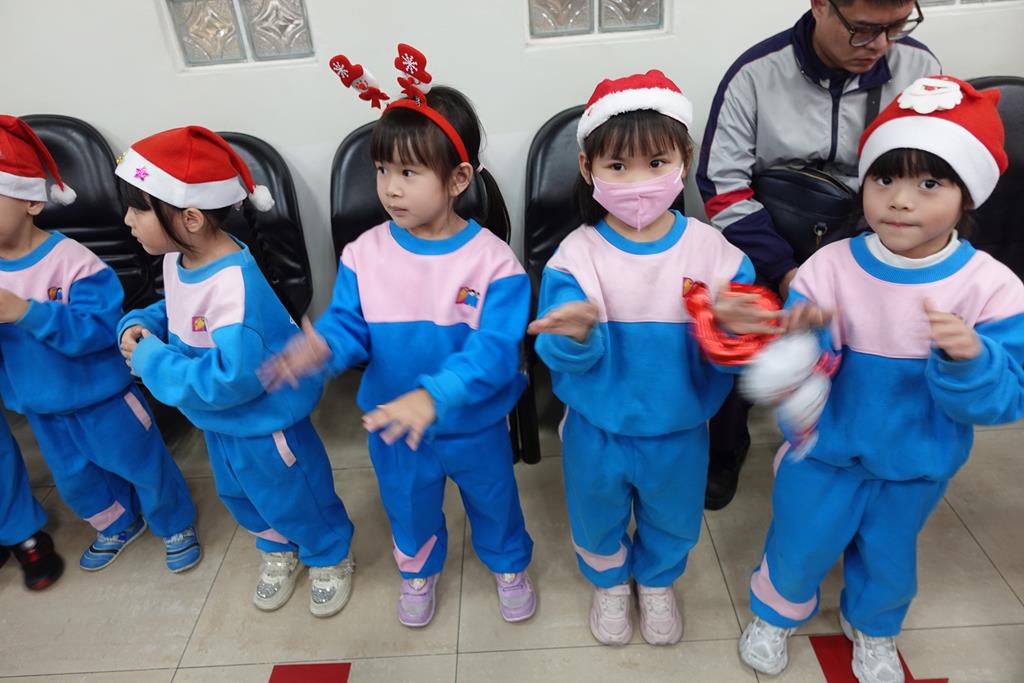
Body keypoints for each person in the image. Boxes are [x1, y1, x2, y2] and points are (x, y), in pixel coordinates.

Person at [738, 76, 1024, 683]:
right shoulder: (831, 265)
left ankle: (874, 627)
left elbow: (1006, 400)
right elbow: (795, 367)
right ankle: (775, 612)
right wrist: (803, 334)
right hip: (824, 454)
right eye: (884, 179)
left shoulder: (991, 288)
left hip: (916, 463)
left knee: (890, 554)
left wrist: (970, 359)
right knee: (799, 541)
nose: (900, 200)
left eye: (929, 184)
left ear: (969, 195)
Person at [260, 44, 536, 628]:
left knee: (495, 501)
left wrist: (434, 397)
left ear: (458, 178)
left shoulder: (494, 264)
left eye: (409, 173)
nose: (389, 188)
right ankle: (417, 570)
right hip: (393, 423)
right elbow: (348, 325)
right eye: (382, 170)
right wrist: (323, 348)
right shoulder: (365, 254)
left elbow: (493, 354)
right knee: (408, 507)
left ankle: (509, 565)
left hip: (474, 423)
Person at [529, 70, 775, 646]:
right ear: (587, 167)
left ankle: (658, 581)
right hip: (596, 428)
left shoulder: (715, 254)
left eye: (656, 163)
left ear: (684, 160)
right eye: (617, 166)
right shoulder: (575, 257)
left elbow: (739, 355)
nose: (638, 182)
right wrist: (574, 335)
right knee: (595, 514)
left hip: (680, 429)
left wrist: (735, 328)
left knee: (674, 515)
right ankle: (610, 582)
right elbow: (560, 353)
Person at [697, 0, 941, 510]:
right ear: (820, 6)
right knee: (731, 327)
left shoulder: (919, 68)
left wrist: (864, 260)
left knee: (877, 340)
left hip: (867, 241)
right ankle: (725, 448)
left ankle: (851, 445)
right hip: (769, 239)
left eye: (897, 26)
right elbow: (723, 187)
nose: (880, 46)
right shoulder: (755, 75)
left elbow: (931, 175)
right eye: (863, 30)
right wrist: (783, 269)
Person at [116, 126, 355, 617]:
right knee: (241, 494)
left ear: (190, 218)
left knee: (295, 494)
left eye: (138, 209)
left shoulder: (234, 288)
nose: (127, 220)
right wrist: (142, 323)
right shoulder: (180, 259)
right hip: (220, 422)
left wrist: (151, 360)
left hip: (265, 425)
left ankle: (328, 553)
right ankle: (278, 548)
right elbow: (179, 311)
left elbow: (231, 379)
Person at [0, 115, 199, 574]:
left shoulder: (72, 261)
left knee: (142, 463)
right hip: (41, 408)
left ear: (31, 200)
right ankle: (117, 524)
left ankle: (174, 523)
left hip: (102, 399)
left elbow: (98, 329)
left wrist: (27, 312)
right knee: (76, 479)